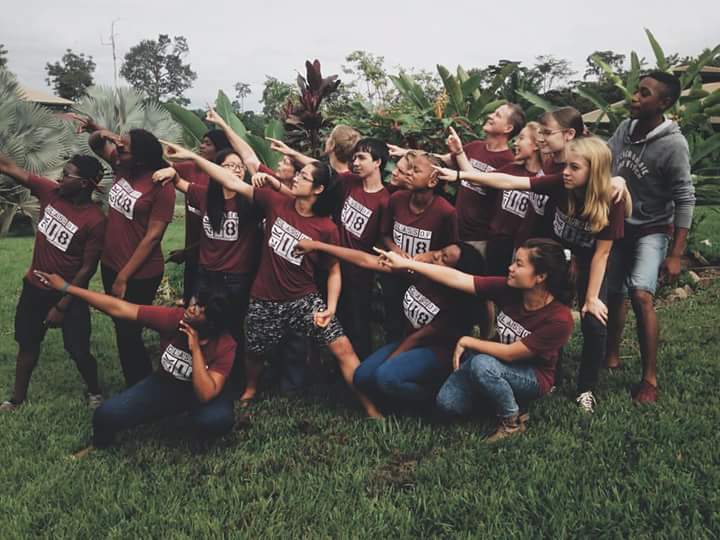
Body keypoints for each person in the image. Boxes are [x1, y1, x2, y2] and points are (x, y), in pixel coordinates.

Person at [160, 140, 382, 418]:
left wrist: (331, 307)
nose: (296, 178)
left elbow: (334, 270)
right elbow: (232, 180)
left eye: (304, 176)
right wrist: (192, 157)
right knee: (254, 352)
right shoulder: (276, 202)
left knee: (344, 349)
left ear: (318, 189)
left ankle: (372, 409)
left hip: (304, 300)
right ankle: (251, 388)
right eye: (298, 174)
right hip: (264, 298)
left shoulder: (325, 228)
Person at [436, 136, 631, 413]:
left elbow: (602, 253)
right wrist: (460, 175)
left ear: (594, 171)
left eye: (574, 167)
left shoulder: (612, 199)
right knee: (552, 312)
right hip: (558, 258)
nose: (565, 172)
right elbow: (509, 182)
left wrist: (591, 298)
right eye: (566, 165)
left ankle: (585, 389)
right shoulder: (561, 183)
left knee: (594, 321)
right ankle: (552, 377)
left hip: (591, 262)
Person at [377, 239, 574, 442]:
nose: (511, 268)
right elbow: (458, 278)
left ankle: (511, 421)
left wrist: (468, 341)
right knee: (446, 404)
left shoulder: (559, 319)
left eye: (519, 264)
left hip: (531, 375)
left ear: (540, 277)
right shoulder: (508, 288)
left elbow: (511, 353)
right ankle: (491, 396)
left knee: (481, 364)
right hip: (495, 361)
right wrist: (407, 263)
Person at [33, 270, 236, 450]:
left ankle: (199, 432)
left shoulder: (225, 345)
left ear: (213, 323)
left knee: (217, 419)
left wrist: (195, 348)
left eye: (201, 310)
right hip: (166, 386)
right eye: (196, 302)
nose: (192, 308)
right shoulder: (175, 318)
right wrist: (67, 287)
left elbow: (204, 394)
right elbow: (120, 308)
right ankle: (99, 445)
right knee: (106, 414)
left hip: (201, 393)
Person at [297, 239, 485, 411]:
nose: (436, 255)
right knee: (362, 377)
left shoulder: (455, 304)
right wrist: (319, 245)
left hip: (436, 352)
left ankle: (431, 398)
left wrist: (389, 362)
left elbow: (419, 337)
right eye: (441, 251)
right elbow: (365, 260)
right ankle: (397, 391)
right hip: (409, 342)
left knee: (384, 376)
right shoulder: (422, 272)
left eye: (444, 259)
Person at [605, 71, 696, 403]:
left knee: (641, 293)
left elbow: (685, 198)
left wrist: (676, 254)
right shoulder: (624, 130)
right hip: (620, 224)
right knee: (613, 292)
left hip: (652, 228)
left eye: (644, 93)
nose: (634, 97)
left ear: (664, 102)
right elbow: (604, 161)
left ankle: (649, 379)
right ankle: (611, 356)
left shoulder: (673, 144)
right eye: (636, 91)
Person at [0, 154, 106, 411]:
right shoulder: (50, 192)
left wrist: (62, 305)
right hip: (34, 288)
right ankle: (17, 399)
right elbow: (8, 166)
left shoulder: (95, 220)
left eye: (67, 174)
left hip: (69, 293)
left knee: (78, 350)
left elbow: (87, 268)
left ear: (83, 183)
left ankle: (95, 391)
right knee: (28, 343)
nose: (59, 178)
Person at [153, 148, 263, 384]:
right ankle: (194, 371)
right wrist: (169, 171)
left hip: (235, 279)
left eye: (239, 166)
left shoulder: (250, 199)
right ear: (215, 169)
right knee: (197, 323)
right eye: (229, 165)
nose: (236, 170)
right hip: (205, 275)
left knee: (232, 329)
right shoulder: (204, 195)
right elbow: (179, 182)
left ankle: (232, 378)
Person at [87, 127, 176, 386]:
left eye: (124, 148)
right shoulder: (122, 166)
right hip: (110, 263)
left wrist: (124, 276)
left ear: (141, 157)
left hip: (140, 273)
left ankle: (140, 386)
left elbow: (153, 236)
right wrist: (104, 133)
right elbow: (94, 144)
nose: (117, 150)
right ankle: (138, 384)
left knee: (128, 332)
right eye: (119, 145)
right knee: (122, 328)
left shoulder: (161, 186)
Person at [380, 150, 459, 341]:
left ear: (432, 181)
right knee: (393, 323)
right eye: (410, 169)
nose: (409, 173)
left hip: (423, 283)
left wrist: (429, 257)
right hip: (394, 276)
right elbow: (384, 234)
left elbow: (452, 251)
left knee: (415, 330)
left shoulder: (446, 212)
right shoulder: (397, 199)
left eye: (416, 170)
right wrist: (396, 250)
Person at [167, 129, 230, 305]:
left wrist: (187, 251)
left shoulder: (225, 178)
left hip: (212, 256)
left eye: (208, 144)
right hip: (192, 253)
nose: (201, 146)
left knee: (206, 304)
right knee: (189, 300)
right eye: (202, 142)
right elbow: (167, 168)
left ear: (220, 148)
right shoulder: (192, 168)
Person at [484, 122, 547, 275]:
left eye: (521, 138)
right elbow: (480, 179)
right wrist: (459, 154)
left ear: (536, 145)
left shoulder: (546, 179)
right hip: (498, 243)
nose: (515, 143)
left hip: (526, 251)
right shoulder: (511, 169)